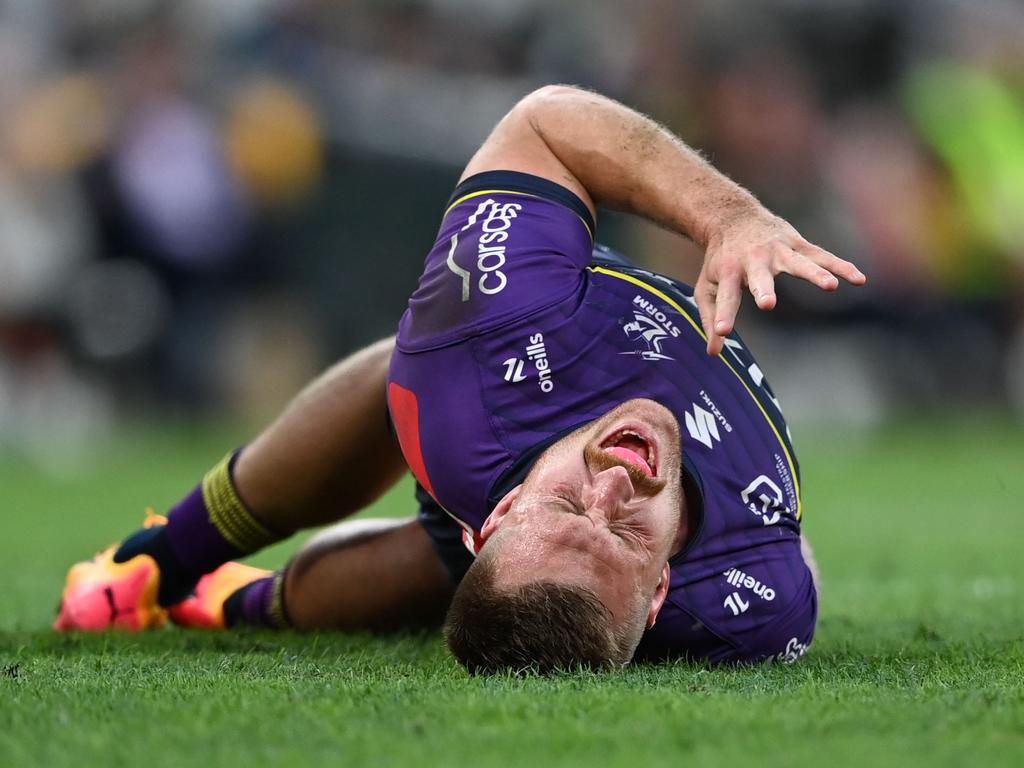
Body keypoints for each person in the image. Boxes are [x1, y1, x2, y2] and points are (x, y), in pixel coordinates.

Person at [55, 85, 865, 672]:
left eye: (571, 508)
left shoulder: (477, 366)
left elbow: (545, 124)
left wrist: (724, 215)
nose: (612, 487)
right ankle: (175, 568)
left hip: (490, 437)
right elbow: (547, 123)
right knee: (419, 425)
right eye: (620, 535)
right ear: (659, 596)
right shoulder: (750, 601)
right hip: (506, 466)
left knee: (407, 424)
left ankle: (193, 582)